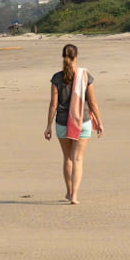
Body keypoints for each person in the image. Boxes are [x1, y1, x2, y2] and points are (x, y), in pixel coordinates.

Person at [44, 44, 103, 204]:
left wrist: (48, 126)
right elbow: (93, 102)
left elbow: (53, 105)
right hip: (83, 122)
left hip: (62, 123)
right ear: (76, 57)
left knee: (67, 158)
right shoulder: (85, 76)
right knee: (78, 159)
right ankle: (75, 195)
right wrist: (99, 121)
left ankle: (69, 192)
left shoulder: (57, 78)